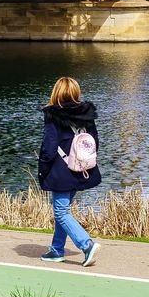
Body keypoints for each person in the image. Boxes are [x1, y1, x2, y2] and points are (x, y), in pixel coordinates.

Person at [36, 76, 102, 266]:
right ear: (75, 92)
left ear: (56, 92)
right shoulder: (87, 114)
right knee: (62, 211)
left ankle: (86, 245)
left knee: (61, 212)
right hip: (81, 169)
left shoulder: (53, 115)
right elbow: (94, 142)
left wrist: (43, 170)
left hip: (61, 171)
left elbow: (49, 148)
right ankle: (57, 250)